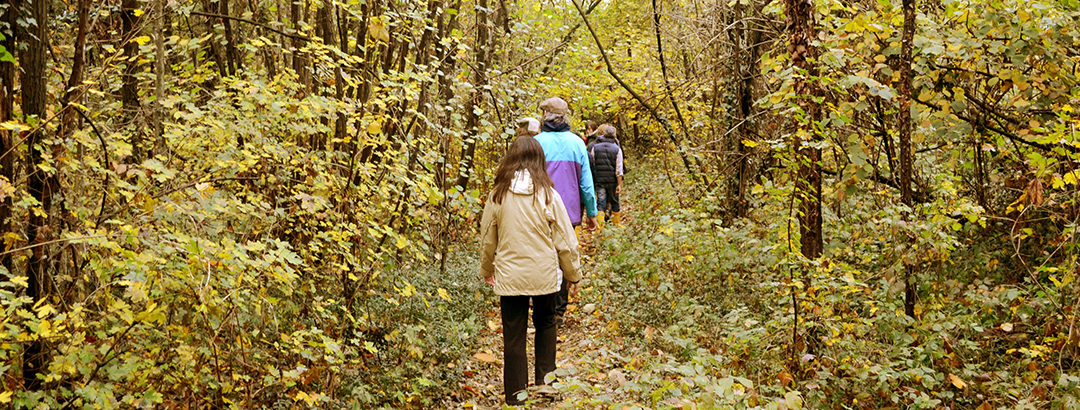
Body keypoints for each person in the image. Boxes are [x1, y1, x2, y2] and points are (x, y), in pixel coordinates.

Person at [479, 136, 581, 405]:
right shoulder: (549, 194)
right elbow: (566, 240)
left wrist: (487, 268)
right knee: (546, 325)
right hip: (545, 275)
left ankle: (515, 396)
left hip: (511, 274)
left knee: (514, 334)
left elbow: (488, 237)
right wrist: (573, 274)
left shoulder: (498, 194)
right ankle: (545, 385)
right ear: (539, 160)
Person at [533, 97, 597, 324]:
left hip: (539, 210)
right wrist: (592, 213)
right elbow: (587, 184)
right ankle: (558, 310)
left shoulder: (537, 143)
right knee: (563, 256)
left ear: (545, 117)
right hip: (569, 212)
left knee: (542, 254)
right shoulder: (577, 143)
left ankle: (542, 304)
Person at [590, 124, 624, 227]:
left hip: (599, 181)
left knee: (601, 202)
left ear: (603, 135)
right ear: (614, 136)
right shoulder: (617, 149)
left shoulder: (595, 147)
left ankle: (600, 226)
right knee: (615, 201)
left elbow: (592, 164)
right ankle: (616, 224)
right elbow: (619, 169)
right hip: (613, 181)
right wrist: (619, 184)